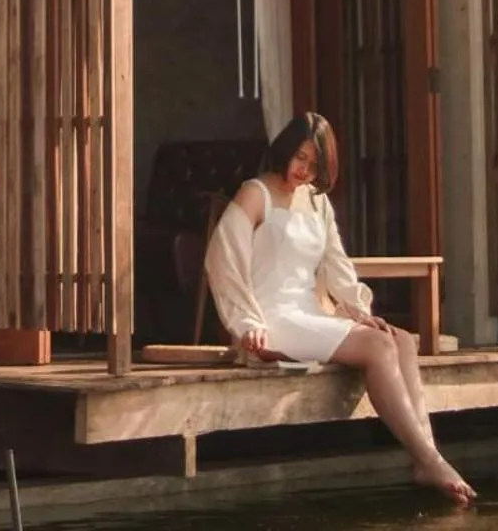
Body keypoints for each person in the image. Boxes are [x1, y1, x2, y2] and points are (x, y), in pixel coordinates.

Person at [204, 113, 476, 505]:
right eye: (300, 158)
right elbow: (222, 257)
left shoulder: (318, 201)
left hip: (306, 311)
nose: (304, 171)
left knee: (397, 338)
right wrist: (246, 322)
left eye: (315, 165)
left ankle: (426, 457)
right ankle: (429, 459)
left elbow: (336, 262)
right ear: (284, 149)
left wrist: (355, 307)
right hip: (271, 315)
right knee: (378, 348)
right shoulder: (255, 193)